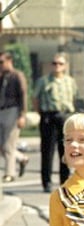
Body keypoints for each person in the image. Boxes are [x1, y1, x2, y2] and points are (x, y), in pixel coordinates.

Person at [33, 52, 78, 193]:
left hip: (64, 116)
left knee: (65, 150)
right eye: (54, 63)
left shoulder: (70, 81)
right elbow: (35, 98)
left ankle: (64, 181)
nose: (57, 66)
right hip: (49, 116)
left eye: (60, 63)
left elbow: (74, 97)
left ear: (65, 66)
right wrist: (41, 112)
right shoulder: (44, 81)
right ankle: (46, 182)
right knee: (47, 151)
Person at [0, 51, 29, 183]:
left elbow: (23, 95)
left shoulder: (17, 76)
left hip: (13, 110)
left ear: (9, 61)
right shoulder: (2, 77)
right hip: (2, 110)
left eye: (1, 62)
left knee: (9, 144)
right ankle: (21, 158)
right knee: (2, 145)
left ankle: (9, 173)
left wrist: (22, 115)